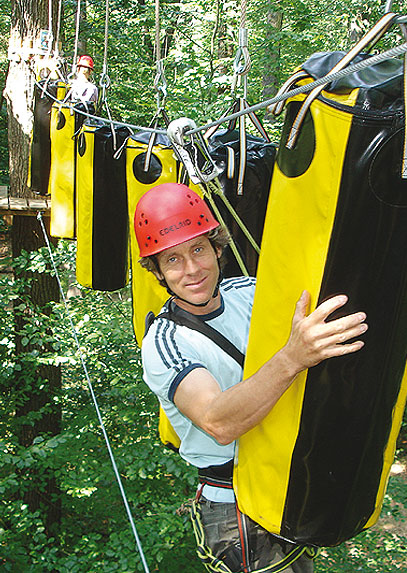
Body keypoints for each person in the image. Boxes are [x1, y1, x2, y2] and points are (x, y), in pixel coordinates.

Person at [135, 183, 368, 573]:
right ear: (157, 271)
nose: (192, 269)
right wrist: (293, 357)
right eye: (172, 259)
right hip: (235, 510)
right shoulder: (165, 343)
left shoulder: (250, 294)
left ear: (217, 249)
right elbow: (218, 421)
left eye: (197, 249)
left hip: (289, 484)